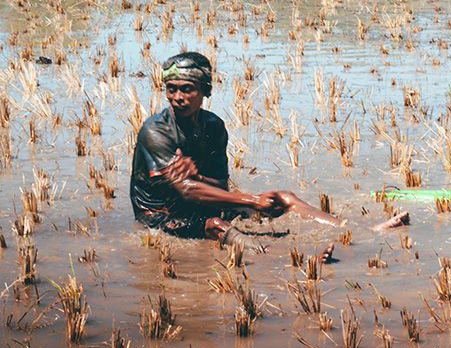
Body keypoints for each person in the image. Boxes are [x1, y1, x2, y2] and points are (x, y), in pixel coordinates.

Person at [131, 52, 408, 256]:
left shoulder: (214, 127)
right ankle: (289, 259)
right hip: (160, 214)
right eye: (172, 89)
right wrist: (252, 200)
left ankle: (359, 233)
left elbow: (218, 186)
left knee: (284, 198)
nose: (177, 97)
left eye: (187, 89)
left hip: (199, 202)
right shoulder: (155, 132)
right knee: (217, 225)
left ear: (205, 91)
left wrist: (202, 175)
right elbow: (187, 191)